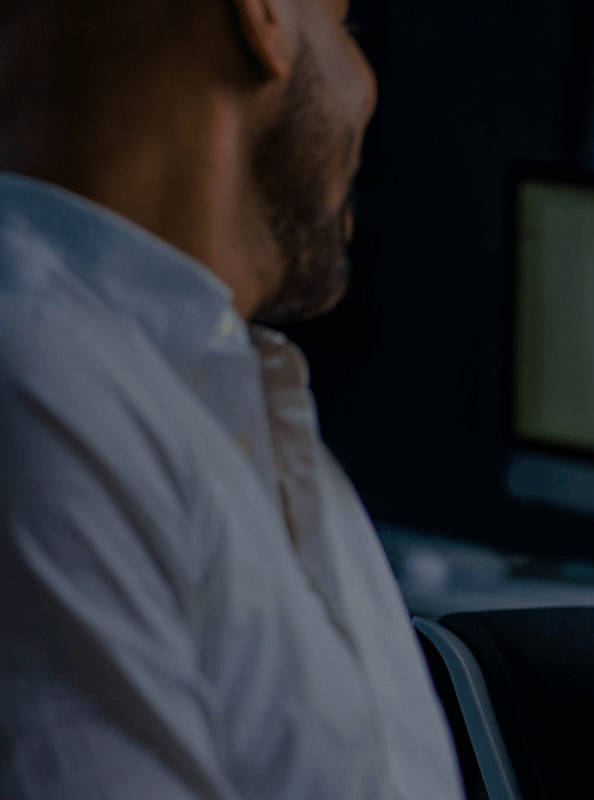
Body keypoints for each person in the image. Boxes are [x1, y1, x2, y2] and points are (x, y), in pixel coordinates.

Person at [0, 1, 462, 798]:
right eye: (348, 26)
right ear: (265, 17)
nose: (369, 84)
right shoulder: (41, 388)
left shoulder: (238, 414)